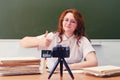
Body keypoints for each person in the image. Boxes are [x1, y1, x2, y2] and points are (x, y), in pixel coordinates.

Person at [20, 8, 98, 72]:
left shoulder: (82, 40)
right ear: (62, 22)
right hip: (52, 74)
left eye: (73, 21)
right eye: (66, 20)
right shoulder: (52, 36)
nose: (68, 23)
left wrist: (66, 67)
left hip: (74, 74)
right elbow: (23, 42)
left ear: (77, 25)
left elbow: (93, 62)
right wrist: (40, 42)